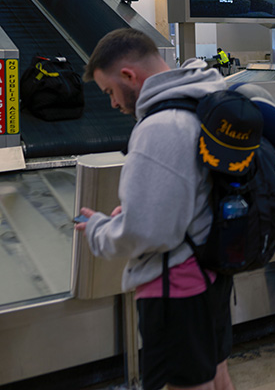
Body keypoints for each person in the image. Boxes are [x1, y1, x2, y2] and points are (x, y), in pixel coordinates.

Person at [75, 28, 236, 390]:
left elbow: (148, 232)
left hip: (174, 287)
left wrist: (102, 231)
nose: (113, 103)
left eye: (110, 91)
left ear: (129, 75)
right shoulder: (204, 98)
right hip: (211, 272)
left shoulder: (159, 127)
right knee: (217, 376)